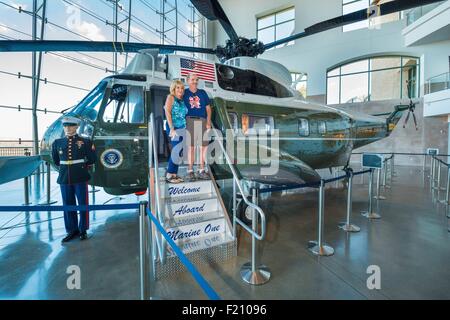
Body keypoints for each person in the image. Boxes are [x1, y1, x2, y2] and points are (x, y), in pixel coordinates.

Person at [52, 116, 96, 243]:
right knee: (68, 204)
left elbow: (92, 159)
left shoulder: (86, 141)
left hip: (80, 176)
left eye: (71, 126)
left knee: (83, 203)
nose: (68, 128)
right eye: (65, 126)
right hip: (65, 177)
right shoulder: (57, 143)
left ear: (76, 127)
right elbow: (56, 160)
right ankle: (72, 230)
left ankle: (83, 229)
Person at [183, 73, 212, 181]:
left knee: (203, 147)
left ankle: (201, 170)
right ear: (188, 80)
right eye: (193, 79)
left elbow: (208, 109)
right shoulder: (184, 93)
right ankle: (190, 171)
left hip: (203, 121)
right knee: (191, 147)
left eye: (197, 79)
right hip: (190, 120)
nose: (195, 81)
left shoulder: (203, 93)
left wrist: (208, 122)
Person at [164, 80, 188, 184]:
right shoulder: (171, 97)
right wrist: (172, 128)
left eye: (182, 88)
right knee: (176, 150)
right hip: (173, 127)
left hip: (183, 127)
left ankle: (174, 174)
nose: (180, 90)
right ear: (174, 88)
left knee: (180, 151)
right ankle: (169, 173)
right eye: (178, 87)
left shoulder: (182, 100)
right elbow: (167, 112)